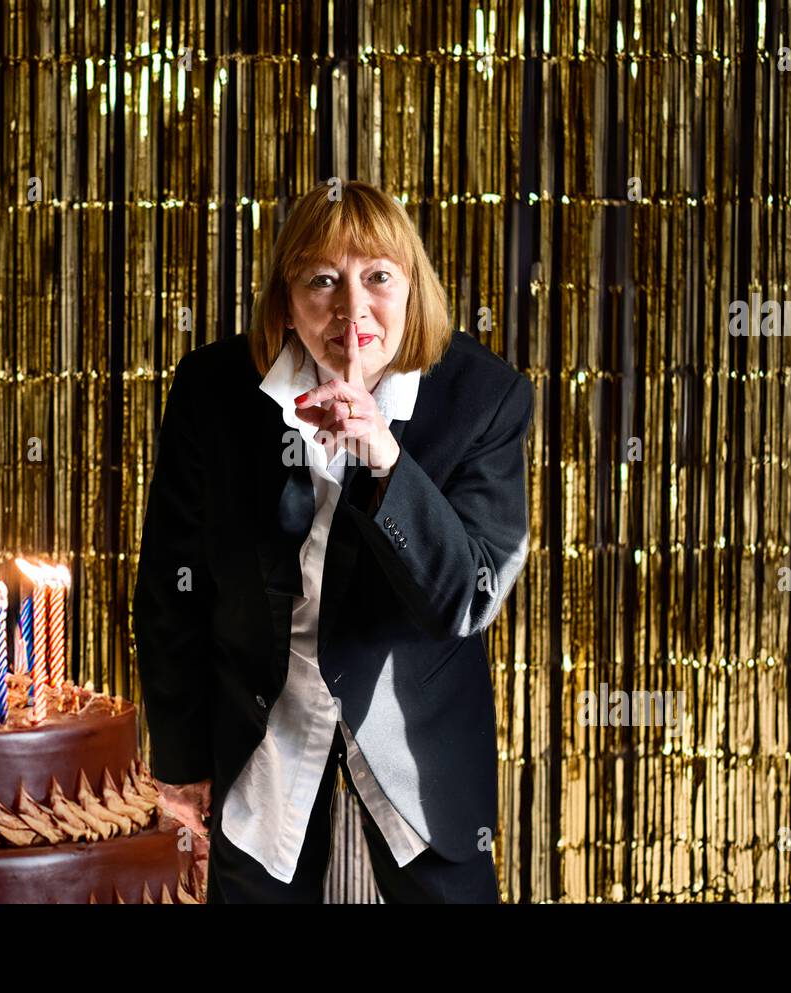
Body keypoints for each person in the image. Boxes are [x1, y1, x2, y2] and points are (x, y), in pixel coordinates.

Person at [133, 180, 534, 903]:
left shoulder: (485, 398)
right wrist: (182, 756)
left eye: (378, 276)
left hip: (417, 726)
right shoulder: (211, 391)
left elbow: (465, 598)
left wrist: (384, 455)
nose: (353, 310)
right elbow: (172, 585)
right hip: (263, 714)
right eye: (323, 280)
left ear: (412, 289)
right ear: (286, 300)